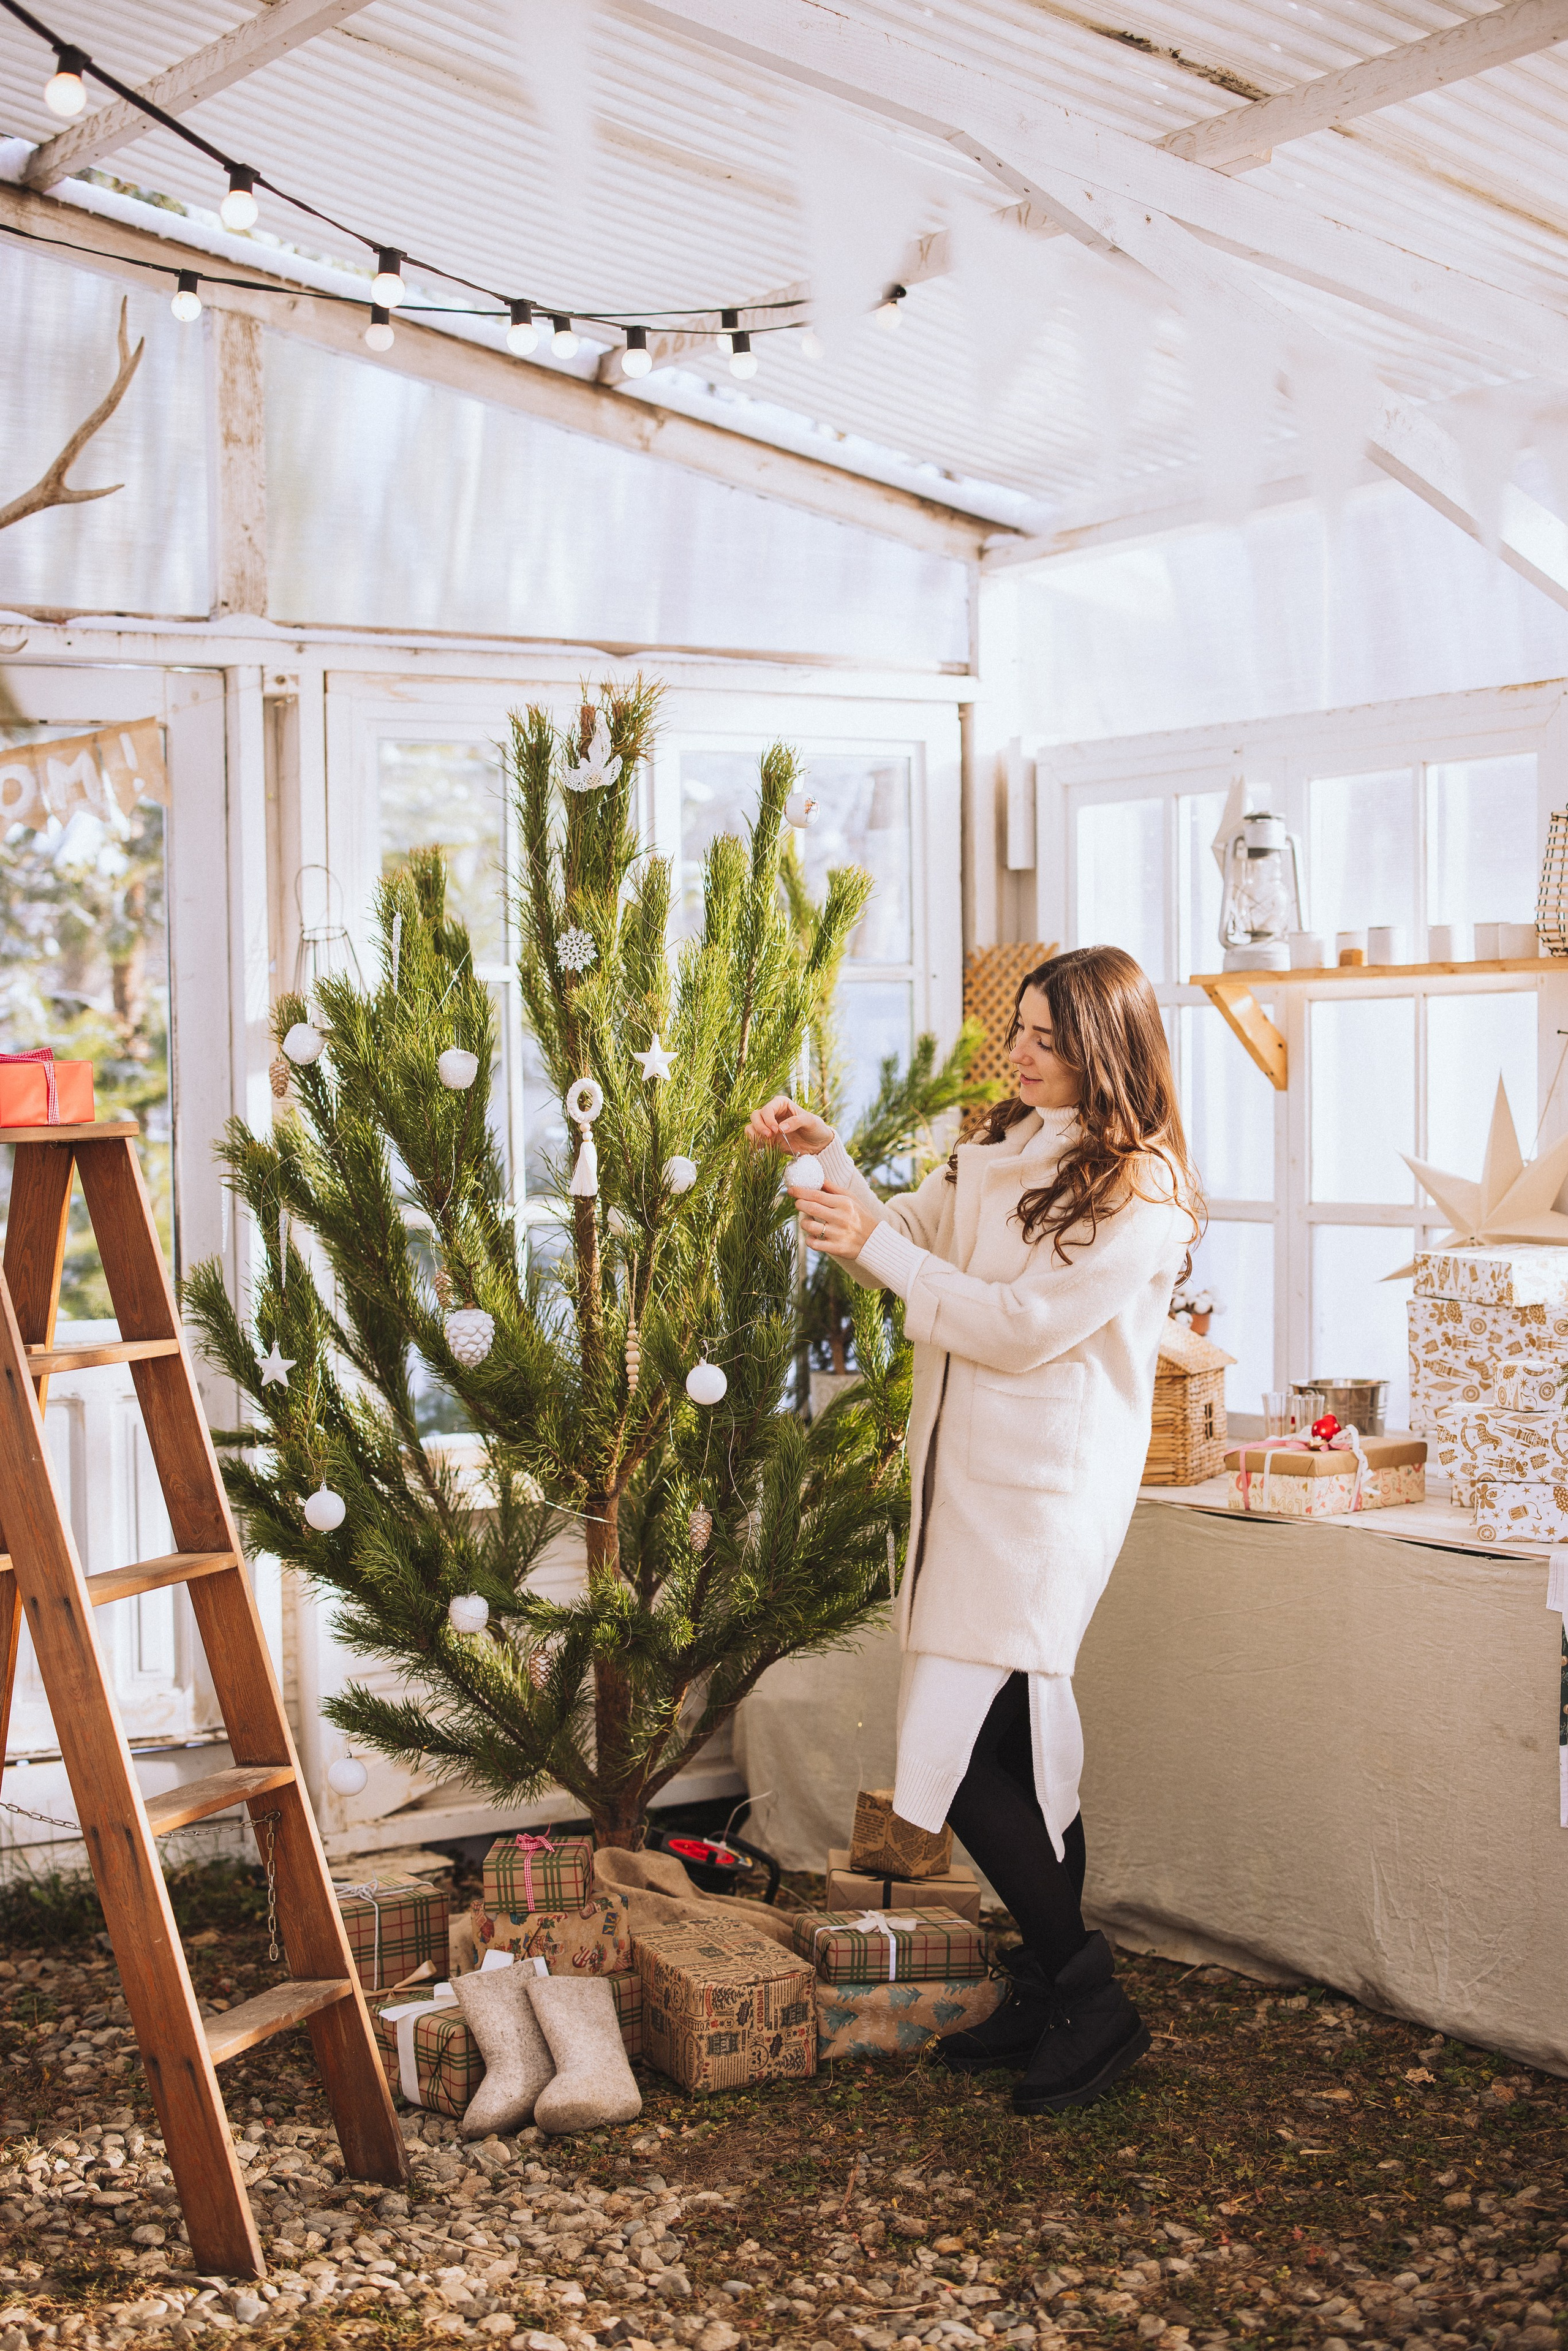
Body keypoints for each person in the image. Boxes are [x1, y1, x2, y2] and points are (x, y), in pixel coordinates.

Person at [746, 944, 1201, 2116]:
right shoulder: (1007, 1151)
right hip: (967, 1487)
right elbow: (901, 1229)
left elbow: (1011, 1325)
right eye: (1023, 1030)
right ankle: (1059, 1987)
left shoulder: (1140, 1194)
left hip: (1043, 1499)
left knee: (951, 1753)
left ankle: (1094, 1998)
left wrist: (877, 1248)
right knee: (1013, 1749)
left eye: (1049, 1038)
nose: (1023, 1052)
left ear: (1106, 1046)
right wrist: (823, 1157)